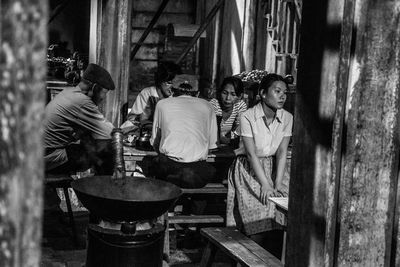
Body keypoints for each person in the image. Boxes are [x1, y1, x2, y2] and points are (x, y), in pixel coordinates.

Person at [226, 73, 292, 255]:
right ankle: (251, 257)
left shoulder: (287, 117)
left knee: (280, 212)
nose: (282, 96)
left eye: (284, 92)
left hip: (275, 167)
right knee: (258, 217)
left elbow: (281, 152)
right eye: (277, 91)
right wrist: (265, 184)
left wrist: (277, 183)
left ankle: (275, 259)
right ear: (263, 93)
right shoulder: (247, 116)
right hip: (250, 169)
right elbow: (251, 152)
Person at [44, 63, 116, 175]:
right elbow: (111, 134)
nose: (103, 98)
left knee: (89, 143)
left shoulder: (68, 92)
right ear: (95, 87)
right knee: (103, 152)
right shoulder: (81, 102)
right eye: (104, 93)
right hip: (47, 159)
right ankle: (105, 188)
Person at [150, 79, 218, 189]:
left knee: (155, 167)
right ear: (198, 93)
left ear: (172, 91)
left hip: (169, 170)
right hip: (196, 172)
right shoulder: (208, 106)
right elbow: (211, 146)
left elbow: (155, 142)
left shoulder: (162, 104)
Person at [120, 61, 181, 130]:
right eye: (169, 83)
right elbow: (133, 118)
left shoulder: (178, 96)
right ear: (160, 80)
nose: (172, 87)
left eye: (176, 83)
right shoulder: (148, 93)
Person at [209, 76, 247, 145]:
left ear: (239, 96)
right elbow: (214, 134)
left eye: (233, 94)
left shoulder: (240, 106)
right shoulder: (214, 105)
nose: (228, 98)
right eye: (224, 93)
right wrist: (230, 141)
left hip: (228, 144)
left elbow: (240, 131)